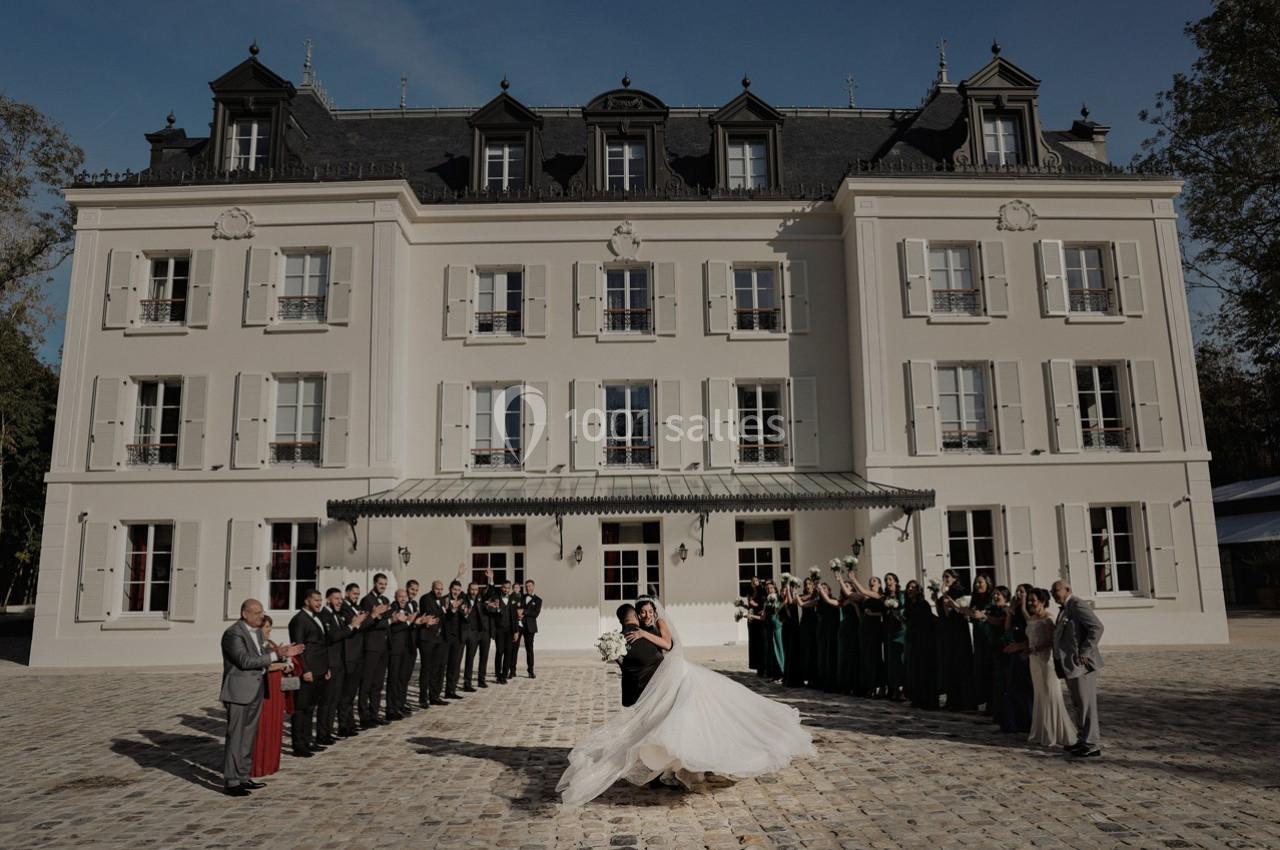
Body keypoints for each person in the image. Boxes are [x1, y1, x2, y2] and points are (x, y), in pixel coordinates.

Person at [556, 597, 814, 806]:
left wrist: (645, 636)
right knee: (668, 723)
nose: (645, 615)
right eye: (642, 612)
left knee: (683, 720)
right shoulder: (639, 631)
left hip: (681, 678)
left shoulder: (659, 627)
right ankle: (668, 766)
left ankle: (683, 764)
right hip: (663, 683)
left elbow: (668, 645)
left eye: (648, 611)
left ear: (654, 612)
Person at [220, 598, 300, 796]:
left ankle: (244, 776)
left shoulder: (256, 632)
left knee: (249, 736)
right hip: (239, 691)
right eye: (256, 613)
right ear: (244, 614)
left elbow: (263, 655)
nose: (261, 616)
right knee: (236, 736)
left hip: (256, 689)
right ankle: (231, 781)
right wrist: (276, 655)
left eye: (262, 612)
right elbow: (245, 660)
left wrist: (281, 654)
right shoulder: (233, 633)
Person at [1051, 580, 1104, 758]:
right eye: (1052, 591)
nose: (1053, 593)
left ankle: (1091, 743)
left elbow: (1096, 627)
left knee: (1086, 704)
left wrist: (1086, 650)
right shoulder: (1065, 608)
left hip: (1082, 665)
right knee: (1078, 704)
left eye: (1056, 590)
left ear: (1068, 590)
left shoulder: (1077, 604)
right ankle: (1082, 740)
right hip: (1070, 665)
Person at [1023, 588, 1077, 749]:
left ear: (1043, 601)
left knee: (1050, 694)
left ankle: (1054, 732)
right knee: (1039, 694)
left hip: (1046, 661)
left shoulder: (1048, 619)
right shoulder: (1032, 618)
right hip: (1033, 661)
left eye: (1034, 600)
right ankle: (1041, 731)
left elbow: (1052, 641)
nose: (1031, 603)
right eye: (1030, 600)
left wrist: (1035, 649)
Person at [288, 589, 331, 757]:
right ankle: (299, 745)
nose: (319, 603)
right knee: (301, 708)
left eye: (320, 600)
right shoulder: (299, 620)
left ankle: (308, 740)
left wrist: (326, 668)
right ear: (306, 601)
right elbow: (297, 648)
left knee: (311, 708)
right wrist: (305, 670)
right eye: (316, 600)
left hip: (320, 670)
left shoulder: (317, 618)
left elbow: (321, 645)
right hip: (307, 671)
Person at [249, 615, 291, 779]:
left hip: (276, 689)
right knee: (263, 726)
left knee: (275, 723)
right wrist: (281, 664)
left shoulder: (272, 644)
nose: (269, 630)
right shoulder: (256, 645)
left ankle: (271, 763)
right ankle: (259, 764)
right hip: (265, 688)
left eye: (270, 627)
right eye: (266, 627)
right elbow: (262, 663)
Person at [935, 569, 975, 710]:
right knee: (950, 662)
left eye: (947, 577)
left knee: (961, 661)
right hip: (948, 629)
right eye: (943, 576)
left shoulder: (959, 592)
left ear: (954, 578)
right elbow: (943, 614)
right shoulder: (945, 594)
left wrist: (950, 602)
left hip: (959, 628)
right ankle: (953, 699)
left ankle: (964, 699)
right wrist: (939, 597)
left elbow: (963, 611)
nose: (945, 579)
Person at [317, 588, 352, 743]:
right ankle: (322, 733)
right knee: (326, 701)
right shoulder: (325, 616)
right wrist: (351, 627)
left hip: (339, 662)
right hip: (330, 663)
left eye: (340, 599)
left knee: (334, 699)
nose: (339, 602)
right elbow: (332, 637)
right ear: (328, 600)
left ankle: (328, 731)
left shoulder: (337, 616)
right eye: (336, 599)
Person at [358, 574, 392, 726]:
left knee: (378, 683)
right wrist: (382, 619)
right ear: (374, 583)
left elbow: (387, 622)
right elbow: (366, 623)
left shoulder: (385, 601)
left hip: (384, 646)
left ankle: (375, 713)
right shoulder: (367, 600)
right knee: (367, 682)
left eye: (385, 584)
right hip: (371, 646)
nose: (383, 587)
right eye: (380, 584)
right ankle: (364, 716)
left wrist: (386, 620)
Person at [1000, 584, 1034, 734]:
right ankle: (1016, 721)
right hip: (1014, 650)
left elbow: (1032, 628)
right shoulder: (1015, 611)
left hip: (1027, 651)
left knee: (1026, 688)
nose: (1019, 594)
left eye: (1022, 591)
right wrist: (1010, 611)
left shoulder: (1030, 611)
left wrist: (1024, 606)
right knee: (1014, 686)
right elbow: (1007, 628)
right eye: (1017, 591)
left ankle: (1029, 720)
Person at [337, 583, 367, 736]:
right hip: (349, 654)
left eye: (358, 594)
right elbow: (354, 625)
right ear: (347, 593)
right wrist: (365, 619)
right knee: (346, 693)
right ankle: (343, 724)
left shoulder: (356, 607)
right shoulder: (344, 608)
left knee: (351, 692)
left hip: (358, 653)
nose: (356, 596)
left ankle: (350, 722)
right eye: (354, 593)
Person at [903, 580, 938, 710]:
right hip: (912, 638)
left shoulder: (923, 604)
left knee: (924, 668)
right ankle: (916, 698)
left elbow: (927, 621)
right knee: (913, 668)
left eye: (913, 587)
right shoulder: (908, 604)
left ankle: (927, 700)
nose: (910, 589)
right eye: (908, 587)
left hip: (924, 639)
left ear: (918, 590)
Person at [967, 574, 995, 714]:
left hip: (990, 636)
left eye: (980, 582)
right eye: (976, 583)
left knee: (990, 668)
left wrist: (983, 616)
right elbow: (971, 616)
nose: (978, 585)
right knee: (980, 668)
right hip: (978, 637)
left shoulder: (992, 598)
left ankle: (992, 703)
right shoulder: (975, 599)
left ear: (987, 583)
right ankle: (983, 701)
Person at [385, 588, 415, 720]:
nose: (403, 599)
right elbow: (394, 628)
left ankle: (400, 704)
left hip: (407, 649)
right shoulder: (392, 609)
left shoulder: (409, 608)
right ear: (395, 597)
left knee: (403, 679)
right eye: (400, 597)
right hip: (395, 650)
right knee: (393, 679)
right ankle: (390, 709)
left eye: (405, 597)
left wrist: (417, 622)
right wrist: (408, 622)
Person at [418, 579, 448, 706]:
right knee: (426, 668)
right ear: (432, 587)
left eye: (441, 589)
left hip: (439, 639)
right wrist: (444, 610)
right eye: (437, 589)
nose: (439, 591)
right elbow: (432, 613)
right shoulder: (425, 598)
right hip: (427, 638)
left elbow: (443, 617)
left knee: (437, 668)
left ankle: (434, 696)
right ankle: (423, 698)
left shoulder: (442, 600)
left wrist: (444, 610)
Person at [881, 573, 907, 701]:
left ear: (896, 581)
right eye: (886, 580)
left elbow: (904, 611)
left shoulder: (902, 595)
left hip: (900, 631)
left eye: (890, 579)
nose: (887, 581)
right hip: (889, 631)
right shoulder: (884, 597)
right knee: (891, 662)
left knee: (901, 660)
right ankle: (893, 688)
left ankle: (903, 689)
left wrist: (897, 611)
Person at [443, 579, 469, 699]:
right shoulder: (445, 600)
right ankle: (438, 691)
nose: (456, 592)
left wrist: (465, 613)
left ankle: (451, 690)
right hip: (447, 637)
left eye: (458, 590)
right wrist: (453, 608)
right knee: (444, 664)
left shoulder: (461, 600)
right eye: (454, 589)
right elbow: (445, 616)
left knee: (455, 665)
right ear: (450, 589)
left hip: (458, 637)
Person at [461, 580, 489, 690]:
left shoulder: (481, 598)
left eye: (476, 589)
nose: (474, 591)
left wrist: (490, 580)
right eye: (472, 589)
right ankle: (467, 683)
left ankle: (481, 680)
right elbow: (455, 591)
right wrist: (458, 577)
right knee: (470, 658)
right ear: (468, 590)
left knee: (484, 657)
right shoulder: (464, 598)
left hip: (484, 632)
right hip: (472, 632)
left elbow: (491, 592)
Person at [488, 579, 515, 684]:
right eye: (504, 587)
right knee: (499, 652)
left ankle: (504, 675)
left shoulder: (513, 598)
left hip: (510, 630)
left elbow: (514, 616)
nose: (506, 590)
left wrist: (516, 631)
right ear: (501, 588)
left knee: (508, 652)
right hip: (499, 630)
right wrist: (496, 609)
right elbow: (490, 609)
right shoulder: (495, 597)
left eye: (508, 588)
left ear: (510, 588)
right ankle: (498, 675)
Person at [836, 579, 860, 694]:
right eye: (844, 585)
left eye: (847, 585)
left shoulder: (853, 599)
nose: (844, 587)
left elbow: (858, 615)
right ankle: (844, 684)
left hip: (853, 627)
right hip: (844, 628)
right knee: (843, 656)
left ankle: (853, 685)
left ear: (852, 588)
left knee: (852, 655)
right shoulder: (842, 601)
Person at [517, 579, 542, 678]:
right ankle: (512, 670)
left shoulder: (538, 600)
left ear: (533, 586)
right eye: (526, 586)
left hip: (530, 627)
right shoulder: (521, 597)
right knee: (514, 648)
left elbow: (535, 614)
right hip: (519, 625)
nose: (528, 588)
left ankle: (530, 670)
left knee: (529, 649)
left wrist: (524, 612)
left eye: (530, 586)